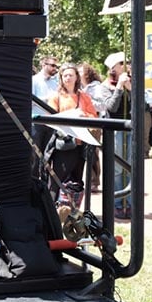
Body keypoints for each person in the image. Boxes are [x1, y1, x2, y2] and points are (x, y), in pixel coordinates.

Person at [46, 63, 98, 203]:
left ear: (77, 77)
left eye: (71, 75)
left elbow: (94, 117)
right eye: (65, 75)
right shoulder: (56, 97)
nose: (68, 78)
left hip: (81, 144)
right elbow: (51, 118)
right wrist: (70, 115)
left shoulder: (84, 97)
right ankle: (52, 212)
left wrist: (83, 115)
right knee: (57, 180)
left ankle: (72, 214)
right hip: (64, 144)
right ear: (61, 78)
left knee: (76, 181)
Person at [98, 51, 132, 219]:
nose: (129, 65)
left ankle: (130, 204)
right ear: (115, 68)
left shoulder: (132, 83)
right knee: (118, 168)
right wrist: (119, 87)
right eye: (124, 63)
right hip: (116, 131)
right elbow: (111, 107)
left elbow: (142, 107)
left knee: (132, 167)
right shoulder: (104, 86)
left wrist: (132, 91)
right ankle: (118, 204)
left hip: (130, 129)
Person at [78, 62, 105, 193]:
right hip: (81, 123)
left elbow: (102, 105)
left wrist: (87, 100)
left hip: (93, 123)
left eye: (80, 72)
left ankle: (94, 181)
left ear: (87, 73)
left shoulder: (96, 87)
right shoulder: (81, 87)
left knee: (93, 153)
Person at [31, 56, 60, 178]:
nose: (55, 69)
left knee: (48, 156)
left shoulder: (56, 82)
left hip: (52, 123)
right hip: (37, 122)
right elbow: (30, 101)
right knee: (35, 156)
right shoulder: (34, 80)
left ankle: (45, 184)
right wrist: (48, 99)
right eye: (52, 65)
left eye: (56, 66)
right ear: (44, 65)